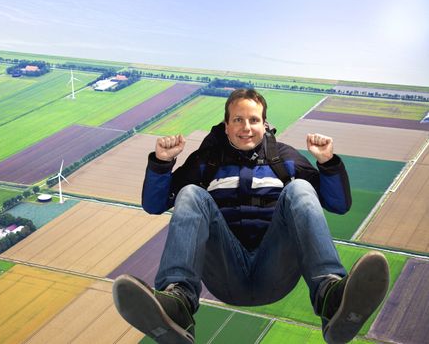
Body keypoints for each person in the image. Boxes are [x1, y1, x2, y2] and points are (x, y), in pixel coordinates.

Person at [113, 88, 389, 344]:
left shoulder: (286, 159)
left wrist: (327, 162)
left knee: (301, 188)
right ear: (226, 126)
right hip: (226, 272)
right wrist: (162, 163)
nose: (246, 127)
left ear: (265, 125)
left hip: (275, 270)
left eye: (254, 120)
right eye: (238, 120)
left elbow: (338, 204)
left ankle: (330, 296)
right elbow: (154, 204)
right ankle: (178, 304)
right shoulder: (206, 161)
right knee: (190, 194)